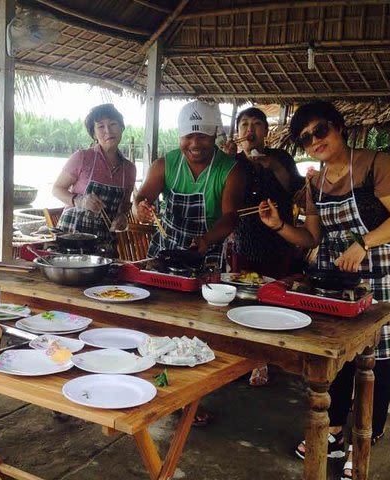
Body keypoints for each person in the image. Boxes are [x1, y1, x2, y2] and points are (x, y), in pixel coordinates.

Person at [258, 100, 390, 479]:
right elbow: (313, 236)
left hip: (384, 274)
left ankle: (366, 435)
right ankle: (332, 429)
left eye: (320, 131)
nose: (315, 141)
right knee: (341, 355)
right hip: (340, 280)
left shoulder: (376, 164)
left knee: (378, 360)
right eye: (305, 138)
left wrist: (363, 244)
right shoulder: (314, 182)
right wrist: (279, 225)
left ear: (338, 127)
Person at [222, 106, 306, 387]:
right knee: (242, 296)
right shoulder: (233, 162)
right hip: (244, 239)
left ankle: (270, 356)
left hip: (279, 239)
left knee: (273, 296)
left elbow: (296, 190)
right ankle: (248, 358)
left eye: (256, 124)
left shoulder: (281, 157)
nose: (250, 130)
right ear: (238, 131)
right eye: (244, 124)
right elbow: (225, 199)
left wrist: (274, 167)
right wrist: (224, 159)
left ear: (266, 131)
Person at [136, 100, 245, 267]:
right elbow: (141, 198)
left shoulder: (230, 170)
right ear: (180, 136)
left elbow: (230, 216)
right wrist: (140, 208)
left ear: (214, 134)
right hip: (166, 252)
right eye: (188, 137)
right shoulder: (164, 165)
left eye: (202, 136)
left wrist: (206, 239)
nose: (195, 144)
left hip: (207, 252)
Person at [52, 103, 136, 239]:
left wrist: (122, 218)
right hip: (71, 235)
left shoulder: (129, 169)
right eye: (101, 126)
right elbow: (56, 189)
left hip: (104, 240)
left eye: (113, 124)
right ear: (94, 134)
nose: (108, 131)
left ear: (121, 127)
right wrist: (79, 201)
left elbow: (125, 205)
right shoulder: (82, 157)